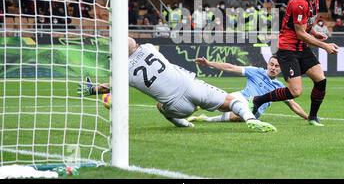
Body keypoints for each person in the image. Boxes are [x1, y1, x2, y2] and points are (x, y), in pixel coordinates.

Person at [78, 38, 277, 133]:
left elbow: (109, 86)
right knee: (230, 101)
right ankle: (251, 118)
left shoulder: (124, 73)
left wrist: (93, 89)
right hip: (191, 86)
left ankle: (183, 122)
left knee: (160, 106)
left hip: (176, 106)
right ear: (137, 45)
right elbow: (133, 45)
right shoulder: (149, 48)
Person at [251, 0, 339, 127]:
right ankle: (259, 100)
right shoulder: (299, 2)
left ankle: (312, 117)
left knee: (321, 80)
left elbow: (305, 26)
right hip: (288, 49)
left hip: (301, 47)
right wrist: (325, 46)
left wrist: (315, 32)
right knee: (295, 92)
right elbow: (300, 33)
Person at [187, 55, 308, 123]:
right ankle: (194, 105)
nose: (273, 68)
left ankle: (206, 119)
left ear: (281, 69)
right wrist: (209, 63)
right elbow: (231, 68)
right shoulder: (256, 72)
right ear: (267, 64)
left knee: (238, 116)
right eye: (271, 64)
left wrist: (308, 117)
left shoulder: (279, 87)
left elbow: (293, 104)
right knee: (223, 104)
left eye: (277, 66)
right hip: (241, 97)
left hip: (254, 111)